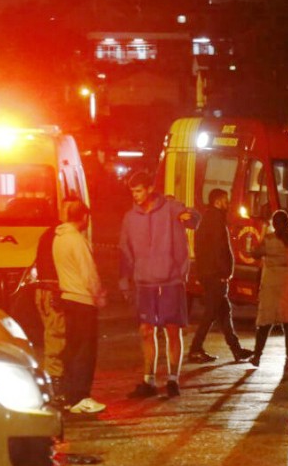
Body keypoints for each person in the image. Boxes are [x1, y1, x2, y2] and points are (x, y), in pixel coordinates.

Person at [119, 170, 200, 398]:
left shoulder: (171, 208)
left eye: (138, 190)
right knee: (146, 331)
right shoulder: (130, 218)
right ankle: (149, 380)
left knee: (172, 331)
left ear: (149, 188)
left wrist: (190, 217)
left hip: (171, 281)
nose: (135, 195)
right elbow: (125, 251)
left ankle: (173, 379)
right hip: (144, 283)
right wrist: (124, 281)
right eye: (132, 191)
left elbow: (194, 219)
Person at [187, 189, 252, 364]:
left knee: (224, 313)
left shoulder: (207, 218)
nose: (228, 203)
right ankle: (195, 349)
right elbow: (219, 249)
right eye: (225, 200)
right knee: (210, 314)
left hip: (209, 273)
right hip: (215, 275)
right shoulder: (215, 220)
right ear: (217, 202)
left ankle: (236, 350)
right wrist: (223, 273)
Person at [54, 201, 107, 413]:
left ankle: (69, 396)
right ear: (84, 217)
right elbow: (89, 272)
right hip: (83, 301)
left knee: (72, 349)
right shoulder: (77, 241)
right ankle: (81, 396)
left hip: (67, 297)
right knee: (85, 352)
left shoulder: (58, 239)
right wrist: (99, 295)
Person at [248, 210, 288, 369]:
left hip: (271, 284)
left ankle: (257, 355)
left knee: (265, 322)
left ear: (273, 224)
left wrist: (261, 234)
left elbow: (254, 254)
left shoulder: (269, 239)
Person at [33, 217, 66, 395]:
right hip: (53, 292)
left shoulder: (47, 235)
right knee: (56, 338)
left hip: (44, 291)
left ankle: (54, 379)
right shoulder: (60, 237)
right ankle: (56, 382)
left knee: (52, 335)